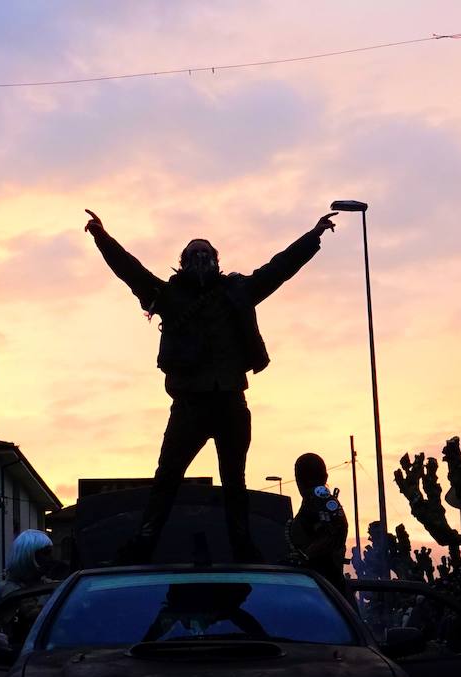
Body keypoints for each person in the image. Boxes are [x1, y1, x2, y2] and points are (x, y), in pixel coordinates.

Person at [85, 208, 338, 562]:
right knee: (167, 477)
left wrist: (313, 237)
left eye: (206, 253)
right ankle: (144, 542)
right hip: (189, 405)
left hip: (232, 402)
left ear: (217, 261)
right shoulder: (168, 297)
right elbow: (131, 270)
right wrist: (102, 237)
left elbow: (278, 269)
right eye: (193, 253)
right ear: (183, 262)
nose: (201, 258)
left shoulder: (238, 291)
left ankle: (242, 547)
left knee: (235, 481)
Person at [285, 452, 349, 596]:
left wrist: (305, 556)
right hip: (317, 588)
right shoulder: (313, 501)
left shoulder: (321, 500)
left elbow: (337, 530)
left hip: (324, 589)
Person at [0, 529, 54, 616]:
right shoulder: (5, 590)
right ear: (28, 556)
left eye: (50, 553)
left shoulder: (54, 588)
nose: (51, 558)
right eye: (46, 553)